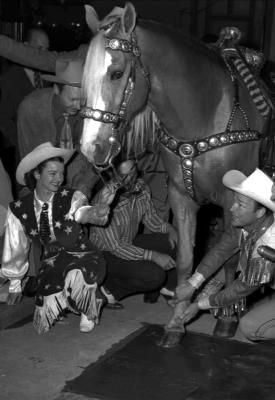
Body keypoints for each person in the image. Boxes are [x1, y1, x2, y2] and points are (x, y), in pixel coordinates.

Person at [0, 142, 109, 334]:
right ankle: (68, 299)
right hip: (52, 259)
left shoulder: (70, 196)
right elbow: (16, 246)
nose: (59, 178)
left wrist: (94, 213)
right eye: (52, 173)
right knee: (45, 310)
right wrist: (15, 283)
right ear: (36, 174)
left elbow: (80, 213)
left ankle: (88, 305)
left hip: (82, 254)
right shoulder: (19, 208)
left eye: (61, 173)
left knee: (78, 272)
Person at [176, 168, 275, 341]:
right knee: (225, 270)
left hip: (254, 276)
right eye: (234, 201)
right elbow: (221, 251)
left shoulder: (268, 245)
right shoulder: (245, 225)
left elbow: (241, 288)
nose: (231, 208)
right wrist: (192, 284)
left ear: (260, 212)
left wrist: (199, 305)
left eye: (240, 205)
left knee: (251, 327)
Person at [90, 159, 178, 308]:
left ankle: (169, 289)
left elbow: (151, 219)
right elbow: (116, 247)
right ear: (113, 174)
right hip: (105, 254)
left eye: (132, 172)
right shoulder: (104, 201)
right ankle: (109, 289)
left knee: (178, 241)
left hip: (129, 243)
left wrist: (169, 228)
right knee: (154, 275)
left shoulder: (141, 187)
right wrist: (153, 256)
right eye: (123, 175)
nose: (129, 179)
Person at [17, 57, 97, 199]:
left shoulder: (89, 110)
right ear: (56, 89)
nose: (79, 107)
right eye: (72, 99)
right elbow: (28, 162)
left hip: (75, 179)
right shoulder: (30, 109)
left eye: (82, 100)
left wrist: (84, 185)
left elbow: (91, 155)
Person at [0, 28, 50, 196]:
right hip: (22, 155)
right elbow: (3, 119)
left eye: (47, 49)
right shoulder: (8, 79)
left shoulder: (50, 77)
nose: (44, 54)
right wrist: (22, 142)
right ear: (25, 47)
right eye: (39, 49)